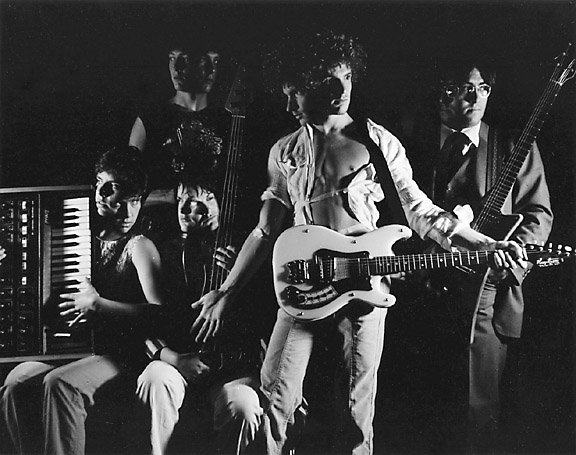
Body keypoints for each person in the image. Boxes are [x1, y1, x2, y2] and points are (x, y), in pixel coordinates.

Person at [190, 31, 527, 455]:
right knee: (275, 398)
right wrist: (225, 292)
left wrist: (486, 244)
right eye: (321, 83)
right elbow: (264, 231)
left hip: (364, 290)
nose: (341, 89)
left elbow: (421, 211)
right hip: (302, 288)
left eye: (346, 77)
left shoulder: (378, 141)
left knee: (355, 413)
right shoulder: (285, 152)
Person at [400, 57, 553, 451]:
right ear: (442, 92)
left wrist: (513, 264)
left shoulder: (512, 146)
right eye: (465, 88)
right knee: (417, 416)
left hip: (488, 302)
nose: (476, 97)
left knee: (478, 417)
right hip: (417, 298)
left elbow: (538, 215)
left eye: (483, 88)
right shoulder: (408, 144)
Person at [0, 146, 164, 455]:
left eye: (135, 201)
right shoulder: (80, 231)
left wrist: (100, 305)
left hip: (121, 355)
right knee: (16, 382)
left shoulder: (140, 246)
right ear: (100, 190)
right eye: (119, 199)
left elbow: (159, 314)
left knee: (60, 384)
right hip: (78, 349)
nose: (128, 213)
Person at [136, 160, 264, 455]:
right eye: (182, 199)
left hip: (232, 369)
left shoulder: (243, 253)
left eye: (204, 200)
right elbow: (147, 318)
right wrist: (174, 359)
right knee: (155, 378)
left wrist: (239, 280)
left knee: (244, 406)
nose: (187, 210)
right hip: (179, 360)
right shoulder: (161, 250)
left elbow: (263, 320)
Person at [129, 41, 227, 194]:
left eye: (184, 59)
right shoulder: (150, 117)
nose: (176, 68)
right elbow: (130, 184)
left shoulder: (226, 118)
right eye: (172, 58)